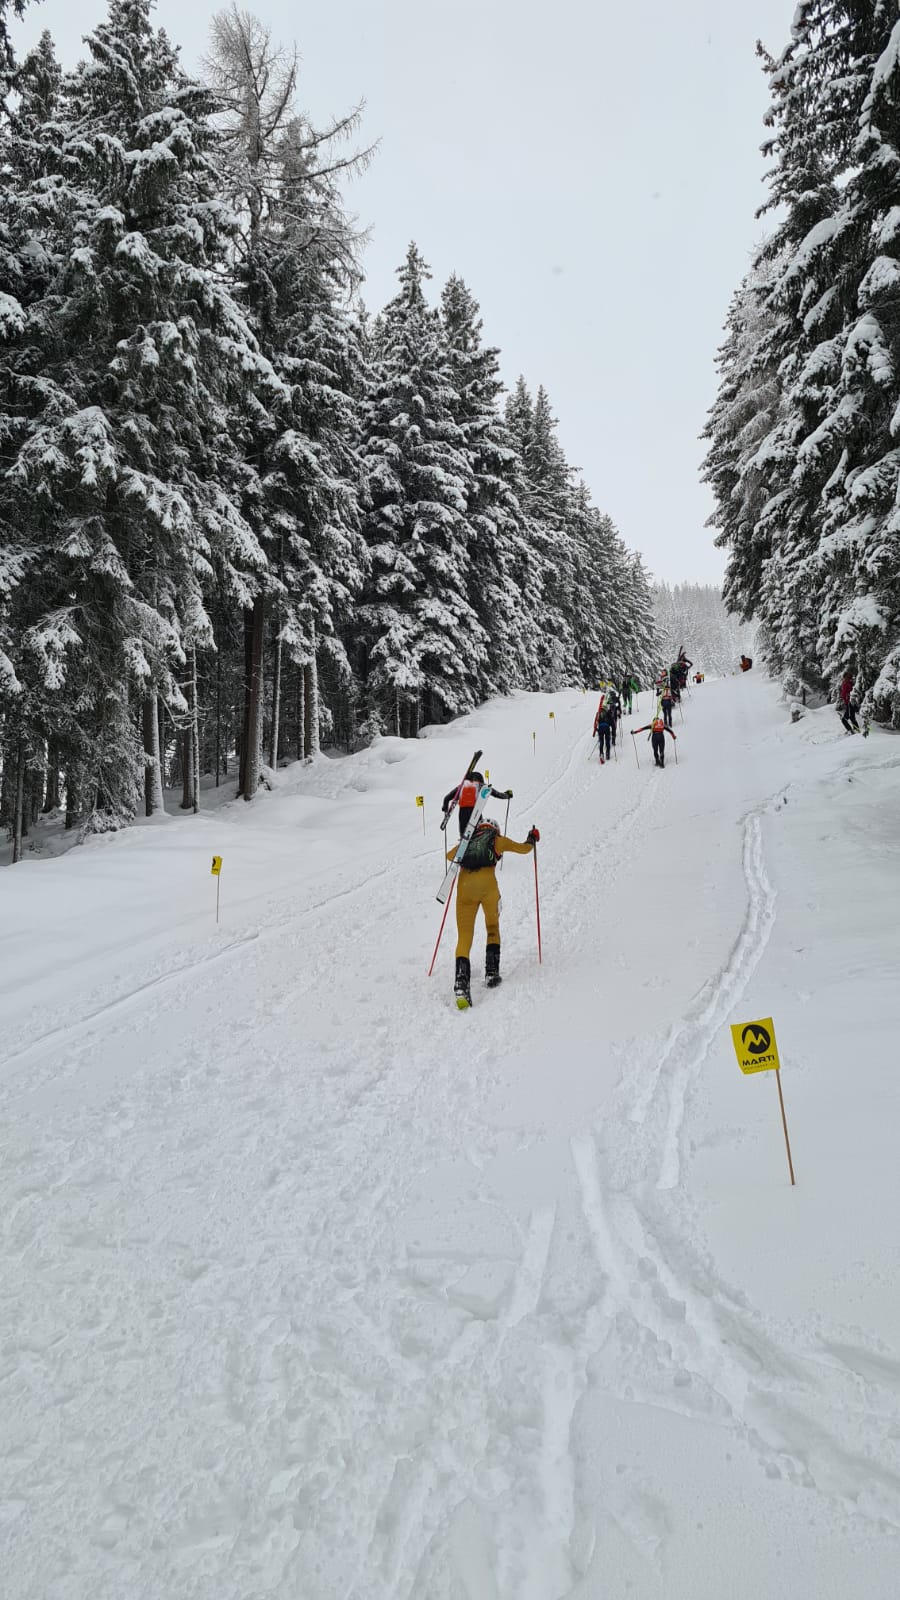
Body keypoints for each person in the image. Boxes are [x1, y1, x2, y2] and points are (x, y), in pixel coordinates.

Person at [447, 820, 540, 1006]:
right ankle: (491, 973)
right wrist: (532, 838)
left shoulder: (468, 841)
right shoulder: (497, 840)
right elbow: (523, 849)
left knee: (464, 936)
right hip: (488, 888)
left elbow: (450, 856)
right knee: (492, 927)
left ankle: (461, 983)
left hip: (465, 889)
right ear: (494, 829)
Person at [442, 770, 512, 836]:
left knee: (464, 837)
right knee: (478, 834)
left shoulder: (461, 787)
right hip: (475, 813)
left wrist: (445, 808)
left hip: (462, 813)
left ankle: (463, 844)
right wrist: (507, 795)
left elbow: (446, 798)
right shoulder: (481, 785)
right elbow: (497, 794)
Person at [593, 697, 613, 763]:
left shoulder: (598, 713)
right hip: (607, 728)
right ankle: (607, 753)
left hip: (600, 728)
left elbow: (595, 722)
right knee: (607, 741)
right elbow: (612, 722)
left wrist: (595, 730)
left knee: (601, 742)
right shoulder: (608, 713)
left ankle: (601, 754)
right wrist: (613, 729)